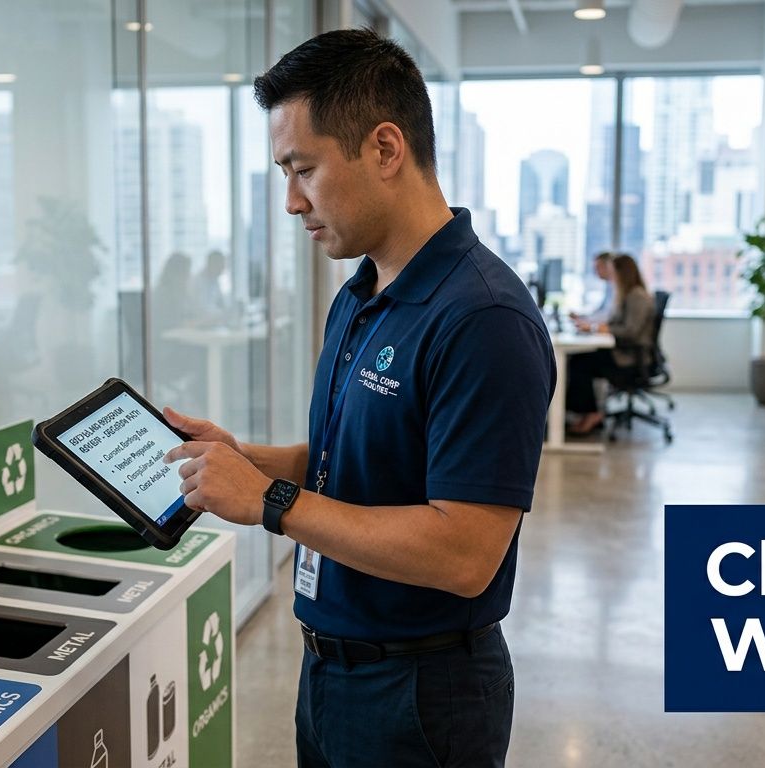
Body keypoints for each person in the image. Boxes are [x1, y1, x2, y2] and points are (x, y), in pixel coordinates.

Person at [159, 28, 555, 768]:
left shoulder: (482, 319)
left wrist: (271, 503)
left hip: (421, 692)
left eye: (302, 169)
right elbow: (357, 458)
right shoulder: (362, 293)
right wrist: (244, 458)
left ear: (383, 148)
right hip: (330, 669)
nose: (290, 202)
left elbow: (467, 551)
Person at [565, 253, 655, 435]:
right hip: (623, 351)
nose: (610, 275)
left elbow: (631, 332)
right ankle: (585, 413)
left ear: (623, 273)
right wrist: (596, 326)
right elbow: (616, 321)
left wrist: (601, 329)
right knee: (579, 359)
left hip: (630, 358)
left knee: (579, 363)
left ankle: (591, 414)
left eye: (613, 271)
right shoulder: (625, 294)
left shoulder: (636, 296)